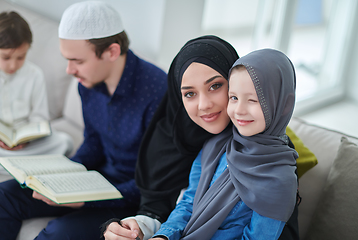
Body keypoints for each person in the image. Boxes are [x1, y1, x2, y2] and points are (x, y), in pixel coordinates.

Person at [103, 37, 299, 240]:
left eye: (215, 86)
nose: (204, 104)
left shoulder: (273, 156)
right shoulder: (205, 145)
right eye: (189, 94)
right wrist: (147, 229)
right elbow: (177, 205)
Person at [0, 2, 167, 240]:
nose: (69, 70)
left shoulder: (158, 92)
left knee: (57, 234)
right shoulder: (87, 83)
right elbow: (93, 143)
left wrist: (86, 199)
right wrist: (62, 178)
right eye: (67, 60)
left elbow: (154, 187)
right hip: (93, 180)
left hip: (129, 198)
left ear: (111, 52)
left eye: (77, 61)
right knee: (4, 196)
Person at [0, 11, 73, 157]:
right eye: (6, 58)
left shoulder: (35, 75)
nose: (13, 65)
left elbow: (39, 117)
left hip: (25, 140)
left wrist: (28, 139)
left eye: (21, 57)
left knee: (64, 142)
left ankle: (11, 161)